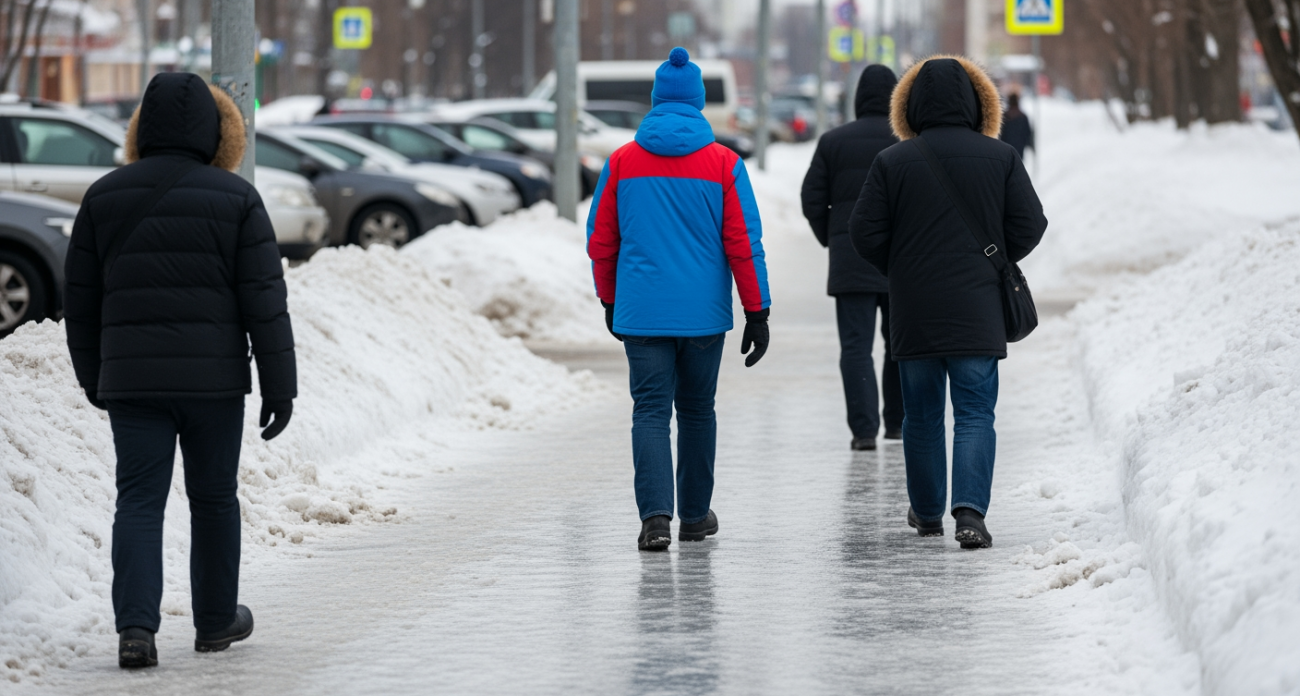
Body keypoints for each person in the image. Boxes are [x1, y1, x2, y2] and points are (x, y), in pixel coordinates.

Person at [63, 73, 297, 668]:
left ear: (141, 129)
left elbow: (81, 300)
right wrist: (280, 384)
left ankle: (136, 630)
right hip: (214, 384)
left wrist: (93, 374)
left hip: (133, 382)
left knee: (139, 499)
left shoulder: (104, 195)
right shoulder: (237, 198)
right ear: (218, 132)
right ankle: (216, 621)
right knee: (214, 497)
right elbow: (264, 299)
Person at [849, 56, 1047, 549]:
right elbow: (1031, 224)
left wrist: (900, 267)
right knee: (976, 410)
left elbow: (863, 232)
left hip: (913, 309)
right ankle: (971, 515)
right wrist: (994, 260)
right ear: (977, 103)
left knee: (921, 413)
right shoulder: (999, 157)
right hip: (978, 307)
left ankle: (928, 512)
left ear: (910, 107)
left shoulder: (892, 162)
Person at [587, 47, 771, 552]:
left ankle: (655, 520)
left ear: (654, 102)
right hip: (703, 317)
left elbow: (601, 240)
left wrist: (609, 297)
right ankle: (693, 515)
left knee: (649, 411)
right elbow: (743, 242)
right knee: (695, 410)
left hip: (642, 311)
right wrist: (757, 311)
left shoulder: (622, 162)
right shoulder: (724, 164)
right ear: (698, 103)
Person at [800, 65, 904, 452]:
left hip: (851, 258)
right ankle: (897, 423)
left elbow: (811, 197)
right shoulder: (906, 140)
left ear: (858, 98)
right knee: (900, 344)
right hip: (900, 260)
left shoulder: (833, 141)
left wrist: (833, 237)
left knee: (856, 346)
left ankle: (864, 431)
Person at [1000, 92, 1034, 160]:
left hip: (1006, 148)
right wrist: (1030, 144)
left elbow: (1000, 133)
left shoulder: (1005, 116)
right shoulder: (1023, 116)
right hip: (1019, 147)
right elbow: (1028, 132)